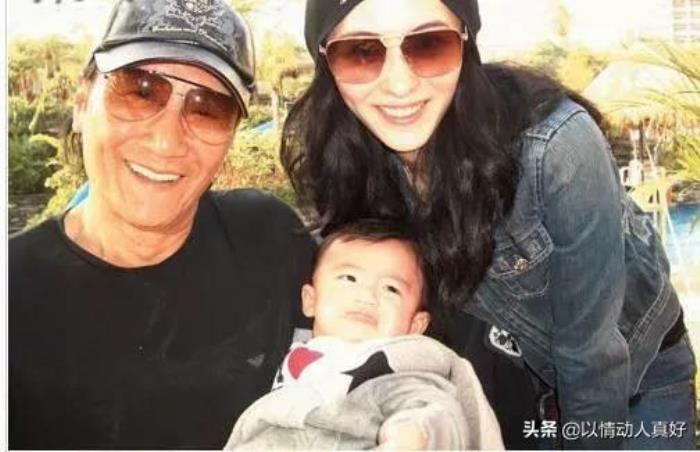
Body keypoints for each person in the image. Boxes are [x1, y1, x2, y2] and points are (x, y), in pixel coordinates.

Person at [281, 0, 697, 448]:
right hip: (521, 386)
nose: (399, 84)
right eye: (361, 52)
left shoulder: (555, 150)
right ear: (325, 60)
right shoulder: (349, 165)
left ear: (466, 42)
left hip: (633, 382)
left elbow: (592, 357)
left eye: (428, 45)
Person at [9, 0, 316, 449]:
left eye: (208, 109)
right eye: (139, 91)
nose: (167, 141)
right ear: (81, 103)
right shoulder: (14, 292)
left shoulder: (270, 240)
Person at [225, 220, 504, 450]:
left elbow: (433, 408)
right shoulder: (288, 346)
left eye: (391, 289)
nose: (367, 295)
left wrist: (414, 435)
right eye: (349, 278)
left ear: (415, 325)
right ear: (310, 300)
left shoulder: (399, 364)